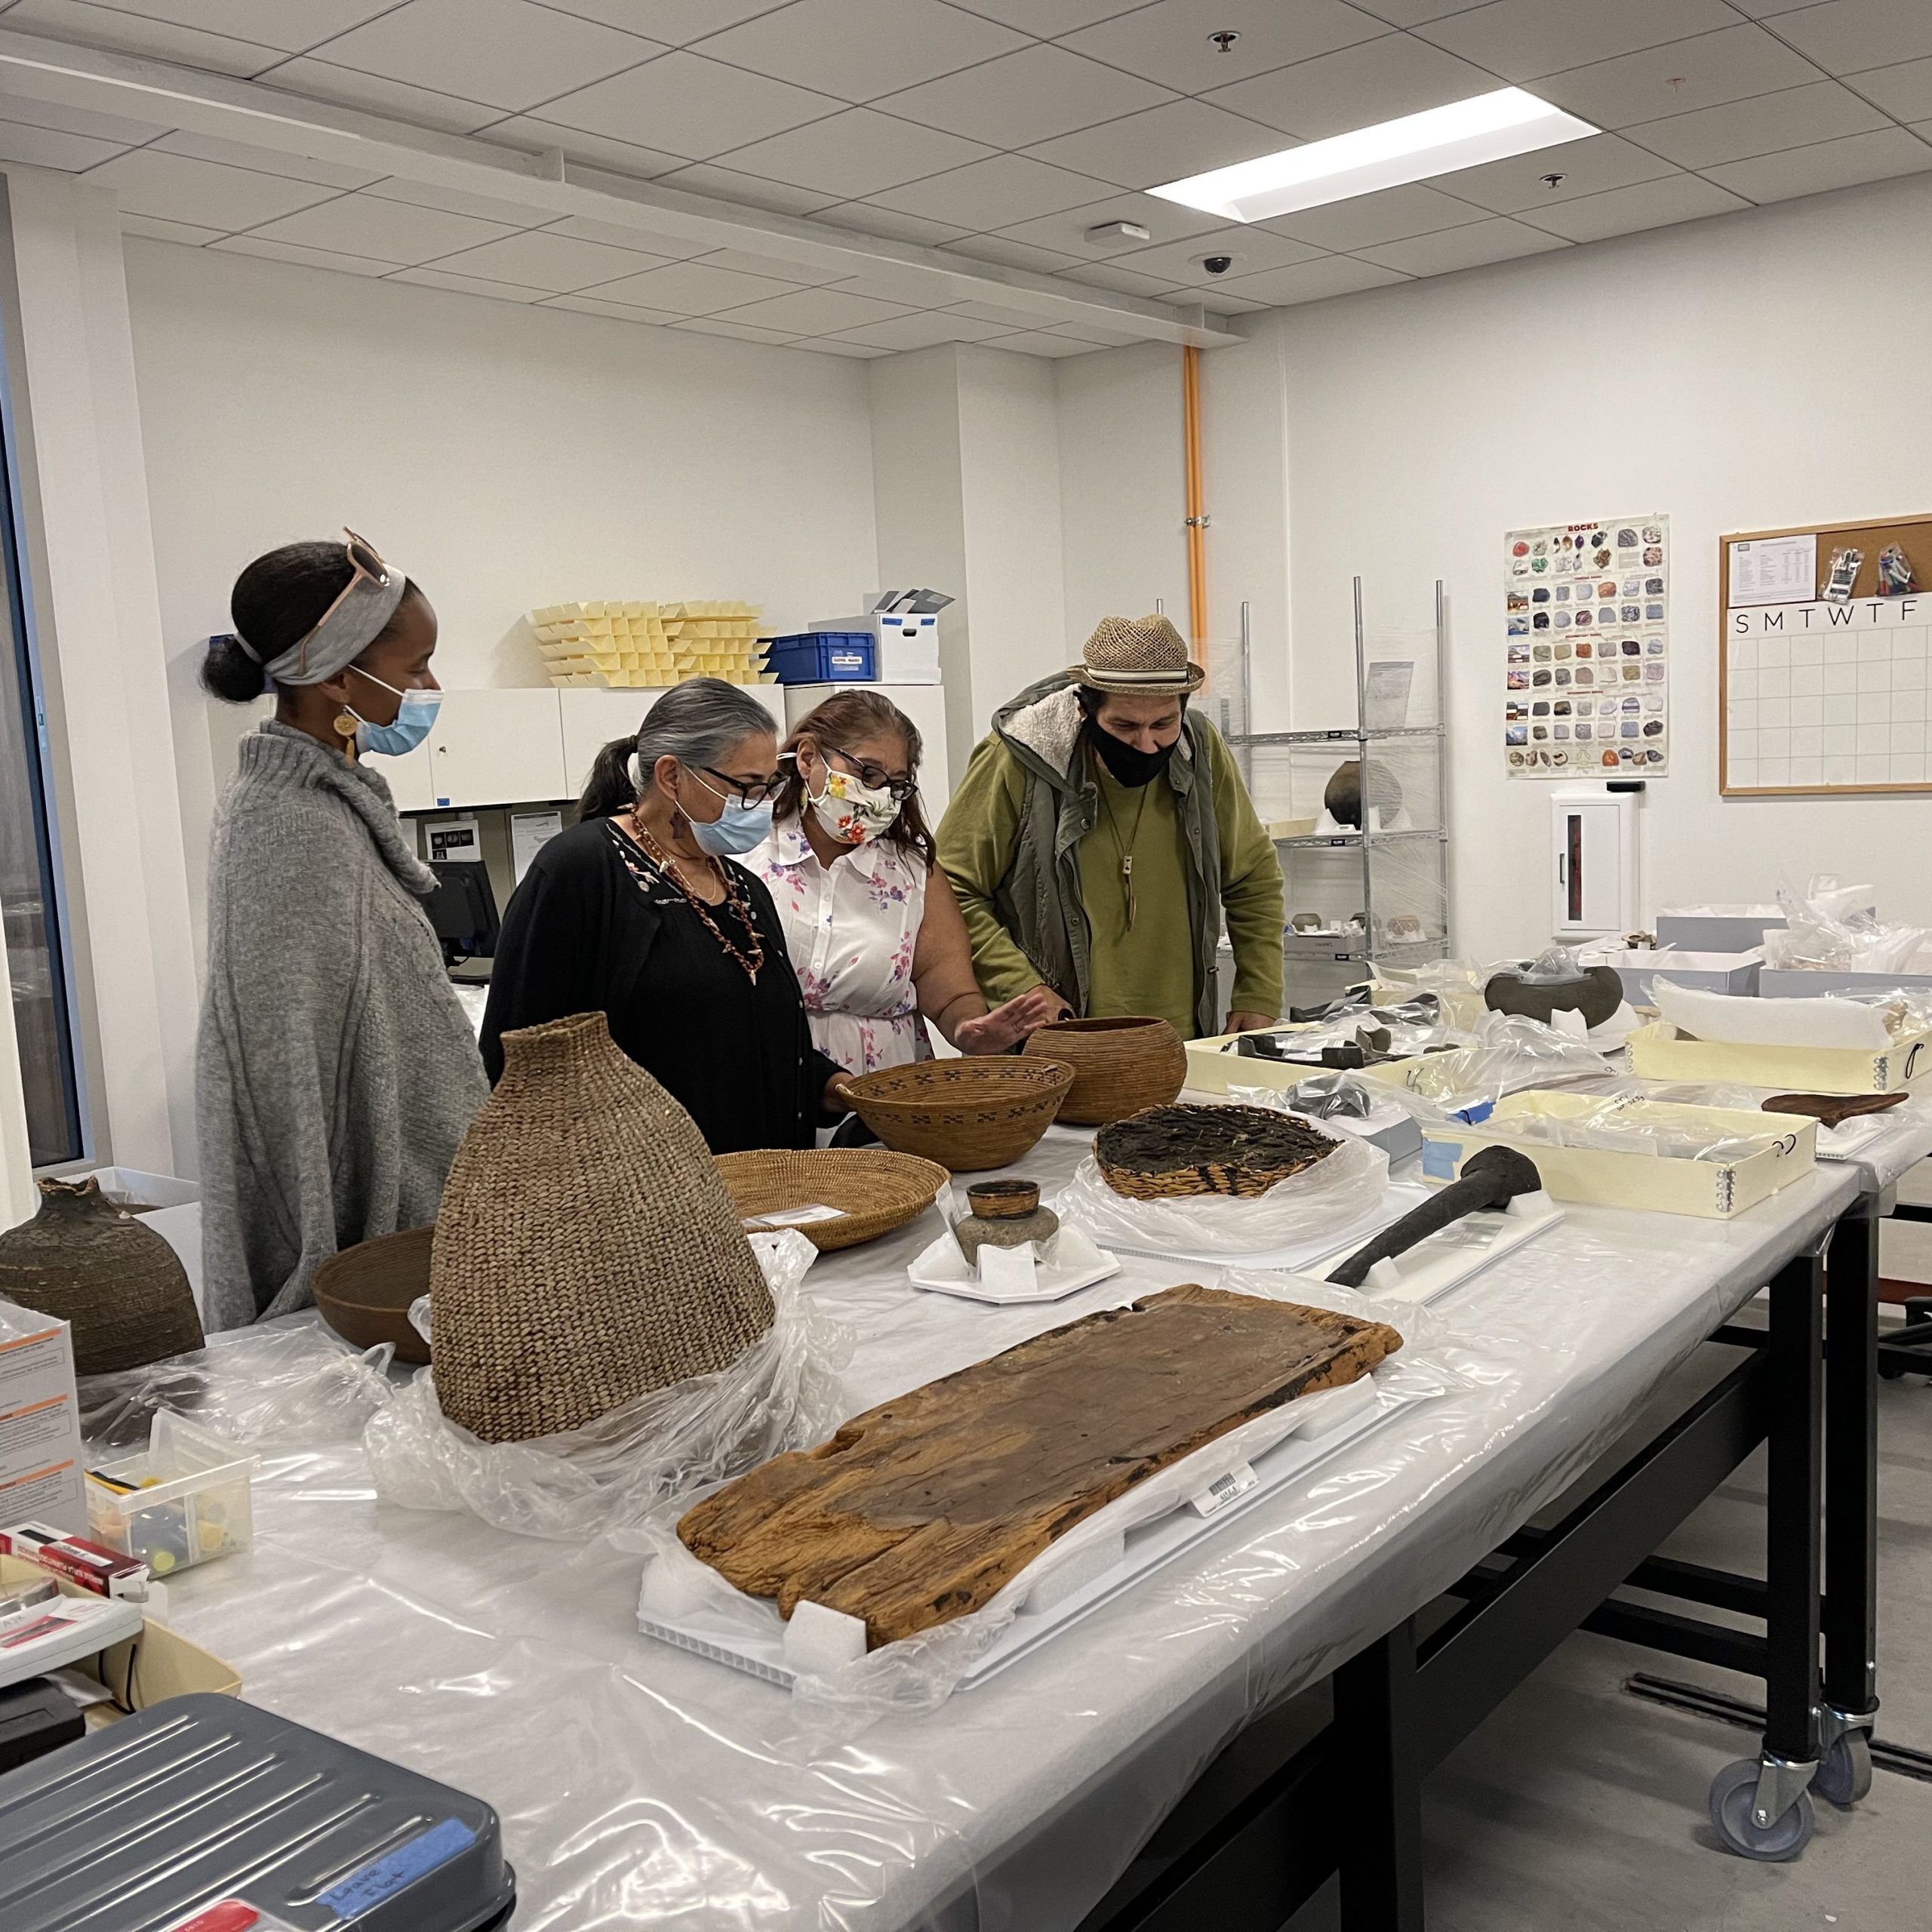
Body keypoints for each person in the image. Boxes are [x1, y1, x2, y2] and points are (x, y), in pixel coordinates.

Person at [197, 531, 488, 1329]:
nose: (429, 685)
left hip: (428, 1211)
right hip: (366, 1260)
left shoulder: (336, 799)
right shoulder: (284, 823)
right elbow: (293, 1069)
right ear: (334, 676)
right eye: (414, 666)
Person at [481, 679, 845, 1153]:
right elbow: (519, 1056)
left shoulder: (743, 887)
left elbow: (746, 1034)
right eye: (745, 787)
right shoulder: (582, 873)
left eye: (767, 787)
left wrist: (832, 1085)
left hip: (766, 1184)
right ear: (673, 776)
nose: (758, 806)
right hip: (638, 1191)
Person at [938, 614, 1284, 1042]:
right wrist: (1021, 988)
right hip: (1059, 1038)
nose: (1146, 745)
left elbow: (1253, 878)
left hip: (1180, 1037)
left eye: (1163, 725)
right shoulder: (1017, 759)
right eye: (1124, 726)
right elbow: (949, 888)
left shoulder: (1201, 751)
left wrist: (1259, 993)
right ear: (1085, 709)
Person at [747, 689, 1057, 1075]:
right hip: (765, 1071)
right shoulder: (747, 852)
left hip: (883, 1083)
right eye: (867, 773)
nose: (879, 796)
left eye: (895, 784)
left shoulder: (911, 873)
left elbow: (948, 990)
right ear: (809, 758)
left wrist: (971, 1031)